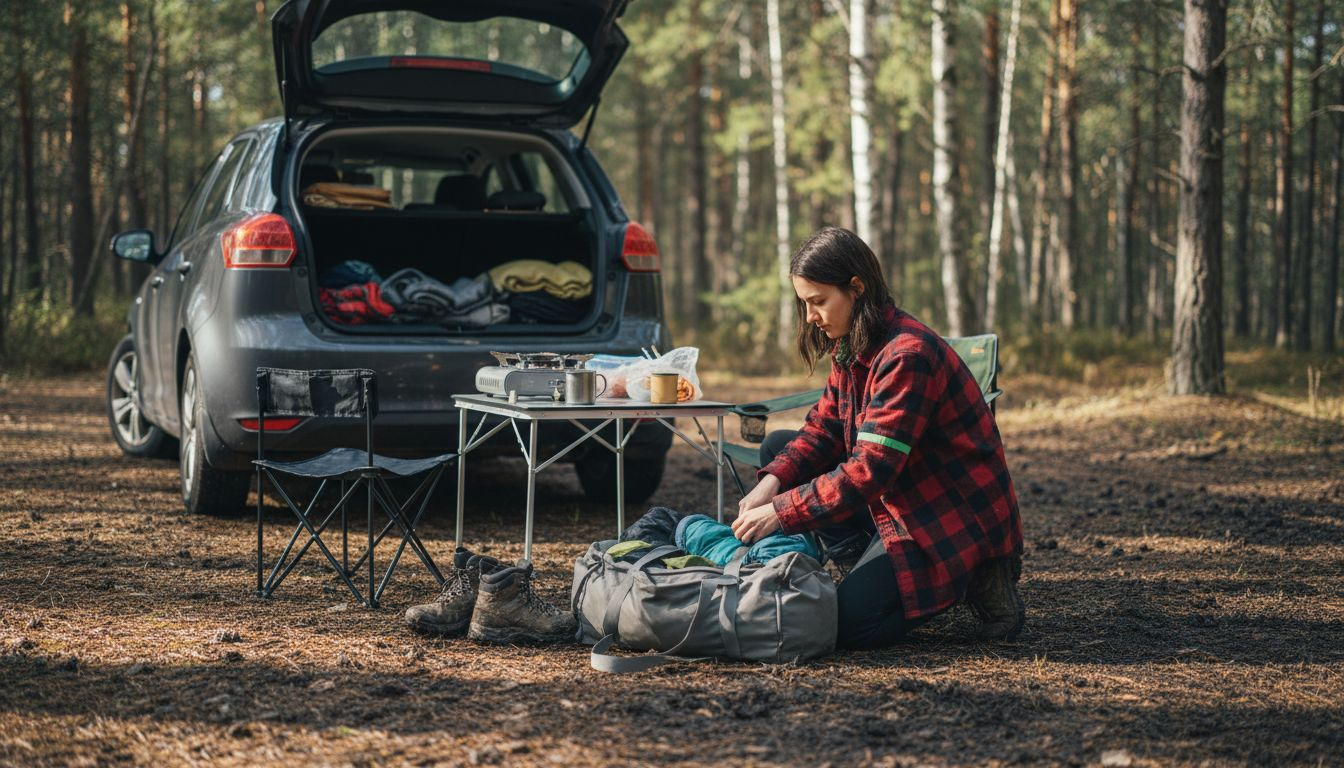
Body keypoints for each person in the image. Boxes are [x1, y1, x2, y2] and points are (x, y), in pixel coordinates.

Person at [732, 227, 1024, 649]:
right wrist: (772, 482)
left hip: (941, 515)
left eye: (818, 302)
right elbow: (825, 428)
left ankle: (977, 575)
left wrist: (781, 512)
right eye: (805, 304)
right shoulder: (853, 342)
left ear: (856, 288)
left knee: (843, 629)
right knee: (778, 448)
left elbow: (870, 471)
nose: (811, 316)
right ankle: (868, 569)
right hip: (893, 499)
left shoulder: (907, 355)